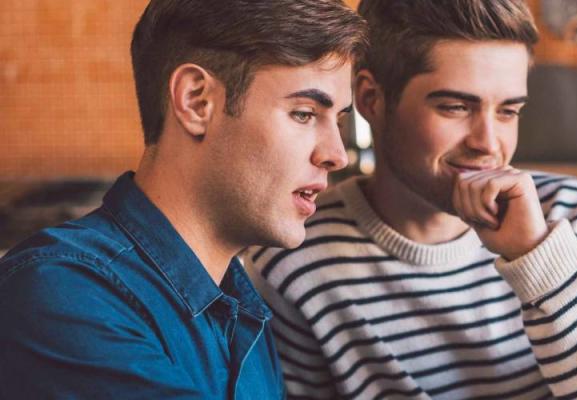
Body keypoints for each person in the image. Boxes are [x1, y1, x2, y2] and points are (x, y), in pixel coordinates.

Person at [248, 0, 577, 398]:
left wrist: (536, 258)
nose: (489, 143)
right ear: (370, 98)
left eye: (508, 111)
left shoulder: (569, 215)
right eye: (455, 107)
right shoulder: (293, 257)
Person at [0, 0, 365, 398]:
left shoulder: (244, 312)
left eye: (340, 121)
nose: (336, 154)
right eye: (304, 113)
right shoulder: (64, 292)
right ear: (196, 101)